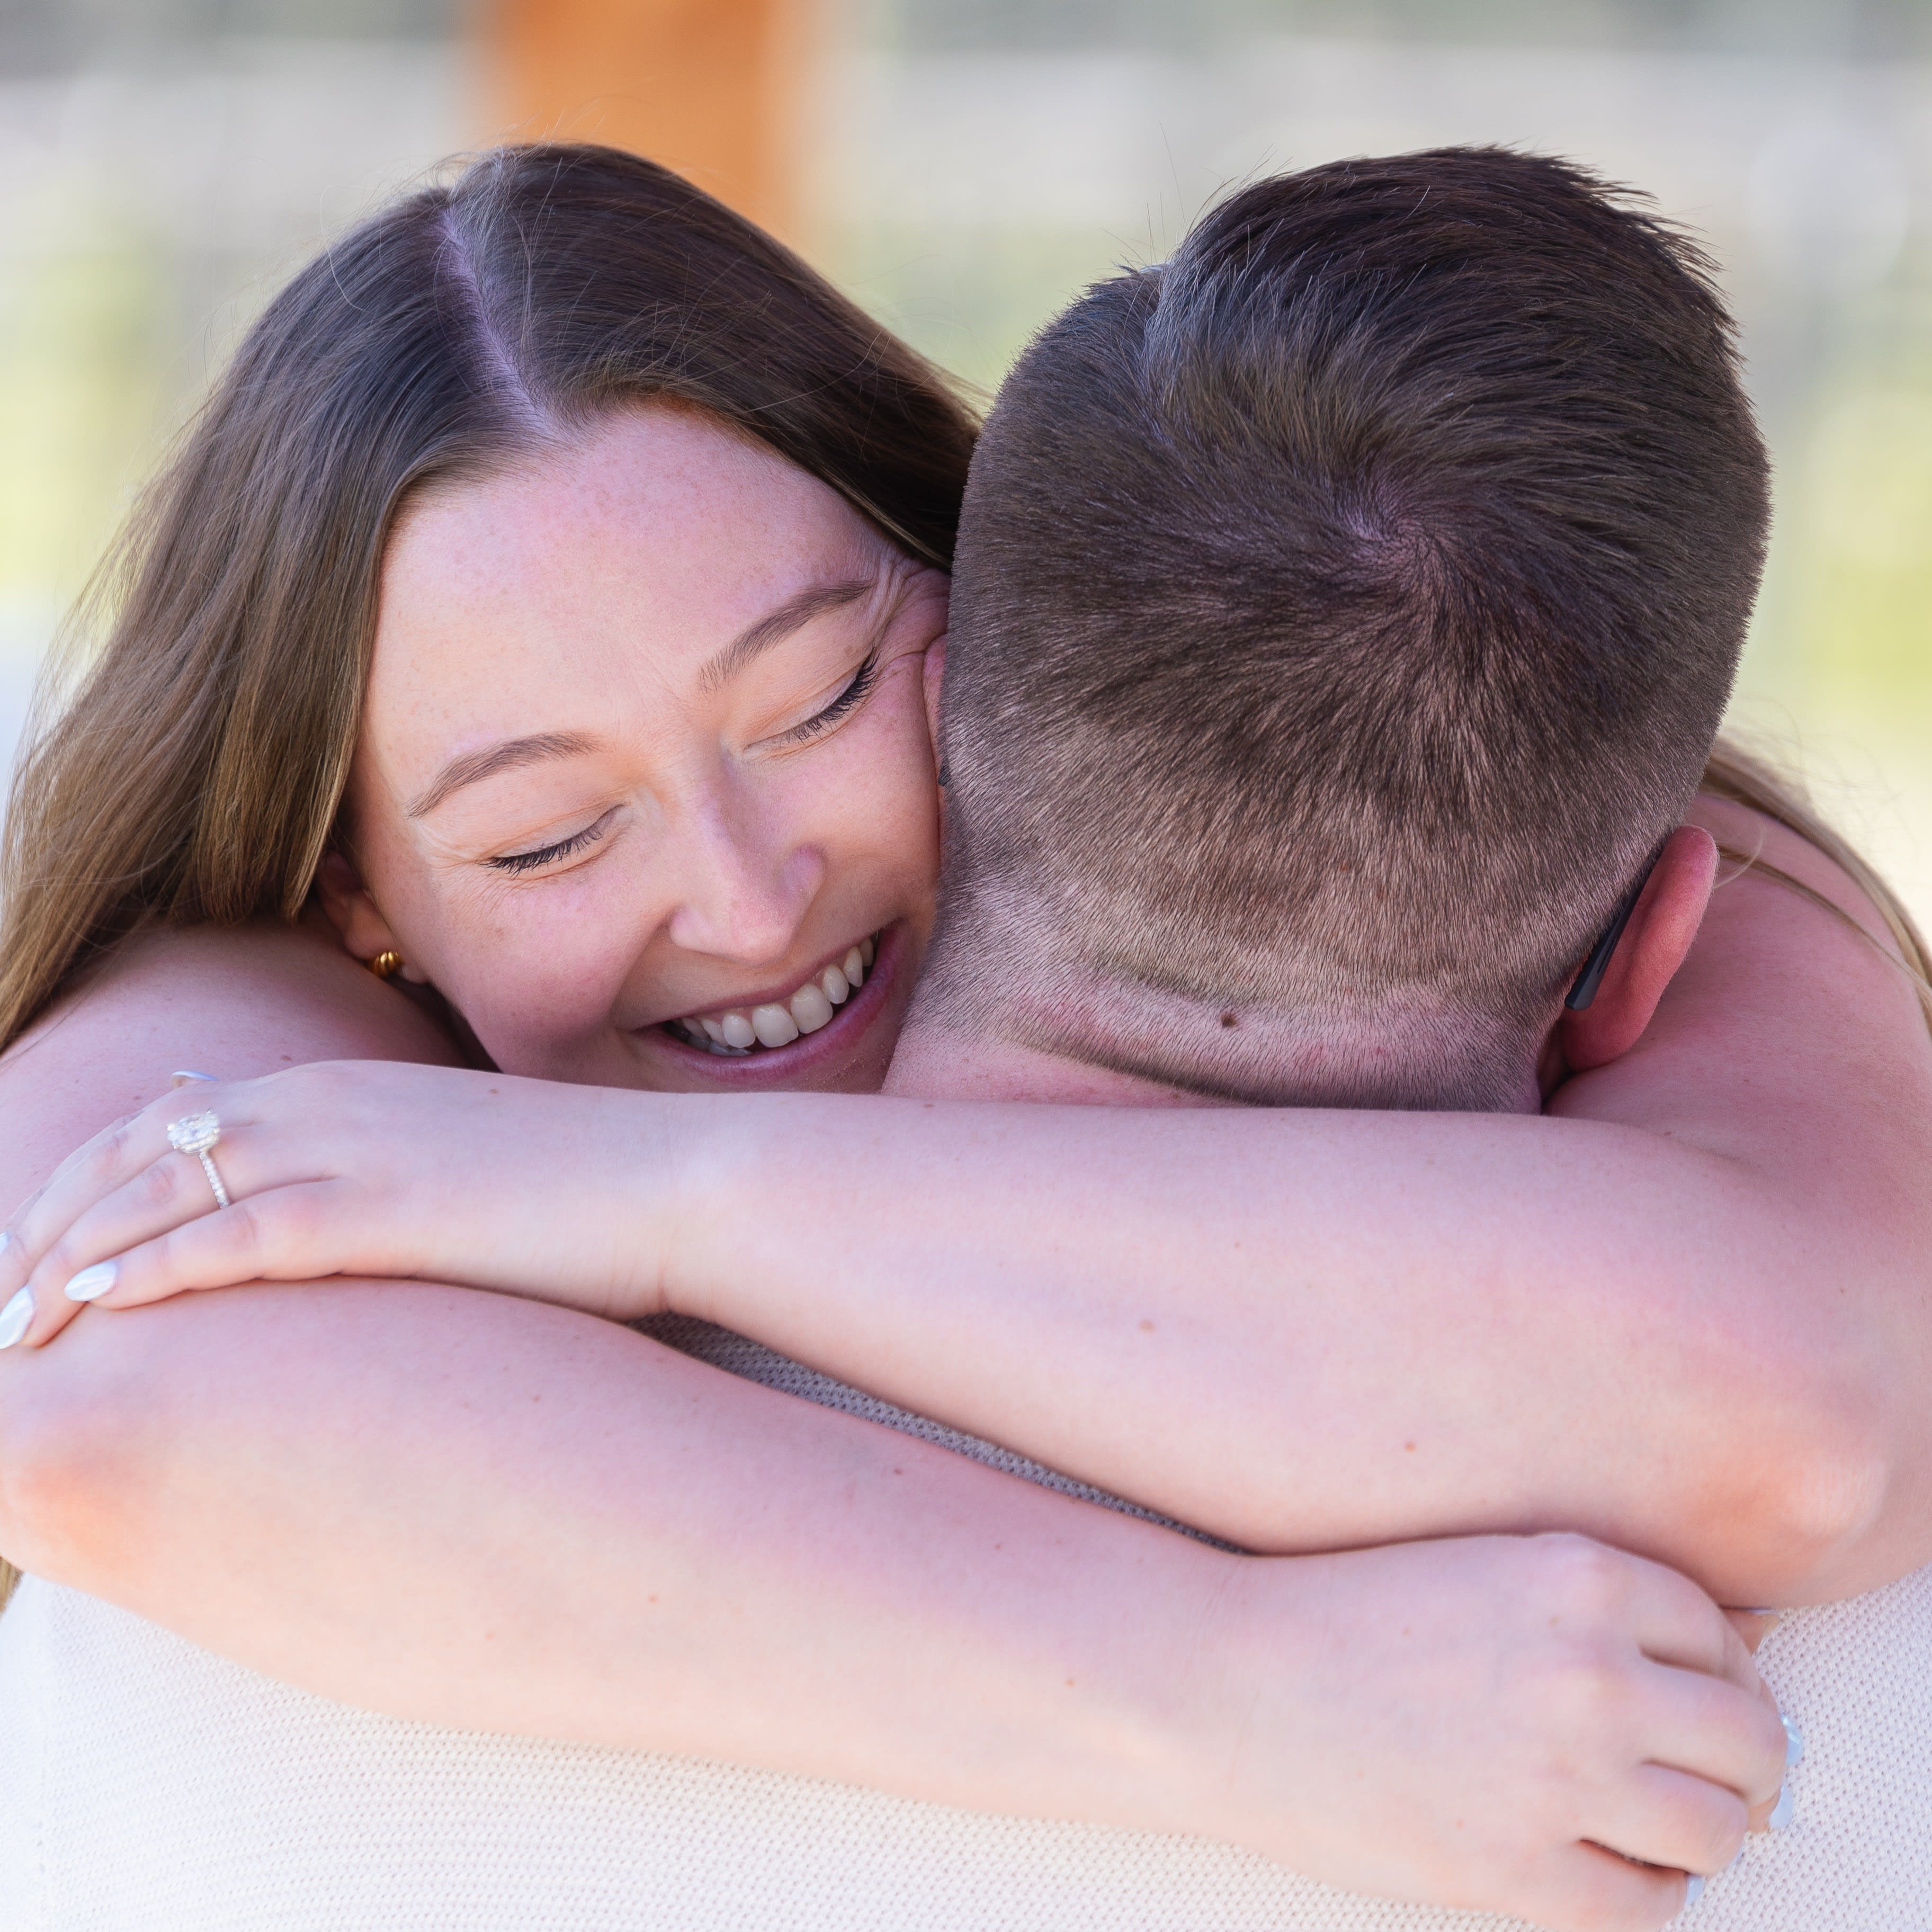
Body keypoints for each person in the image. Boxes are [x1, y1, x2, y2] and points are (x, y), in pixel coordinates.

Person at [0, 145, 1927, 1930]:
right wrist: (1237, 1698)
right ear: (357, 908)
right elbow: (72, 1400)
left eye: (822, 695)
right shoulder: (249, 997)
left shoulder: (1473, 778)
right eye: (549, 836)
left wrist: (647, 1186)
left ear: (990, 601)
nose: (753, 906)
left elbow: (1807, 1409)